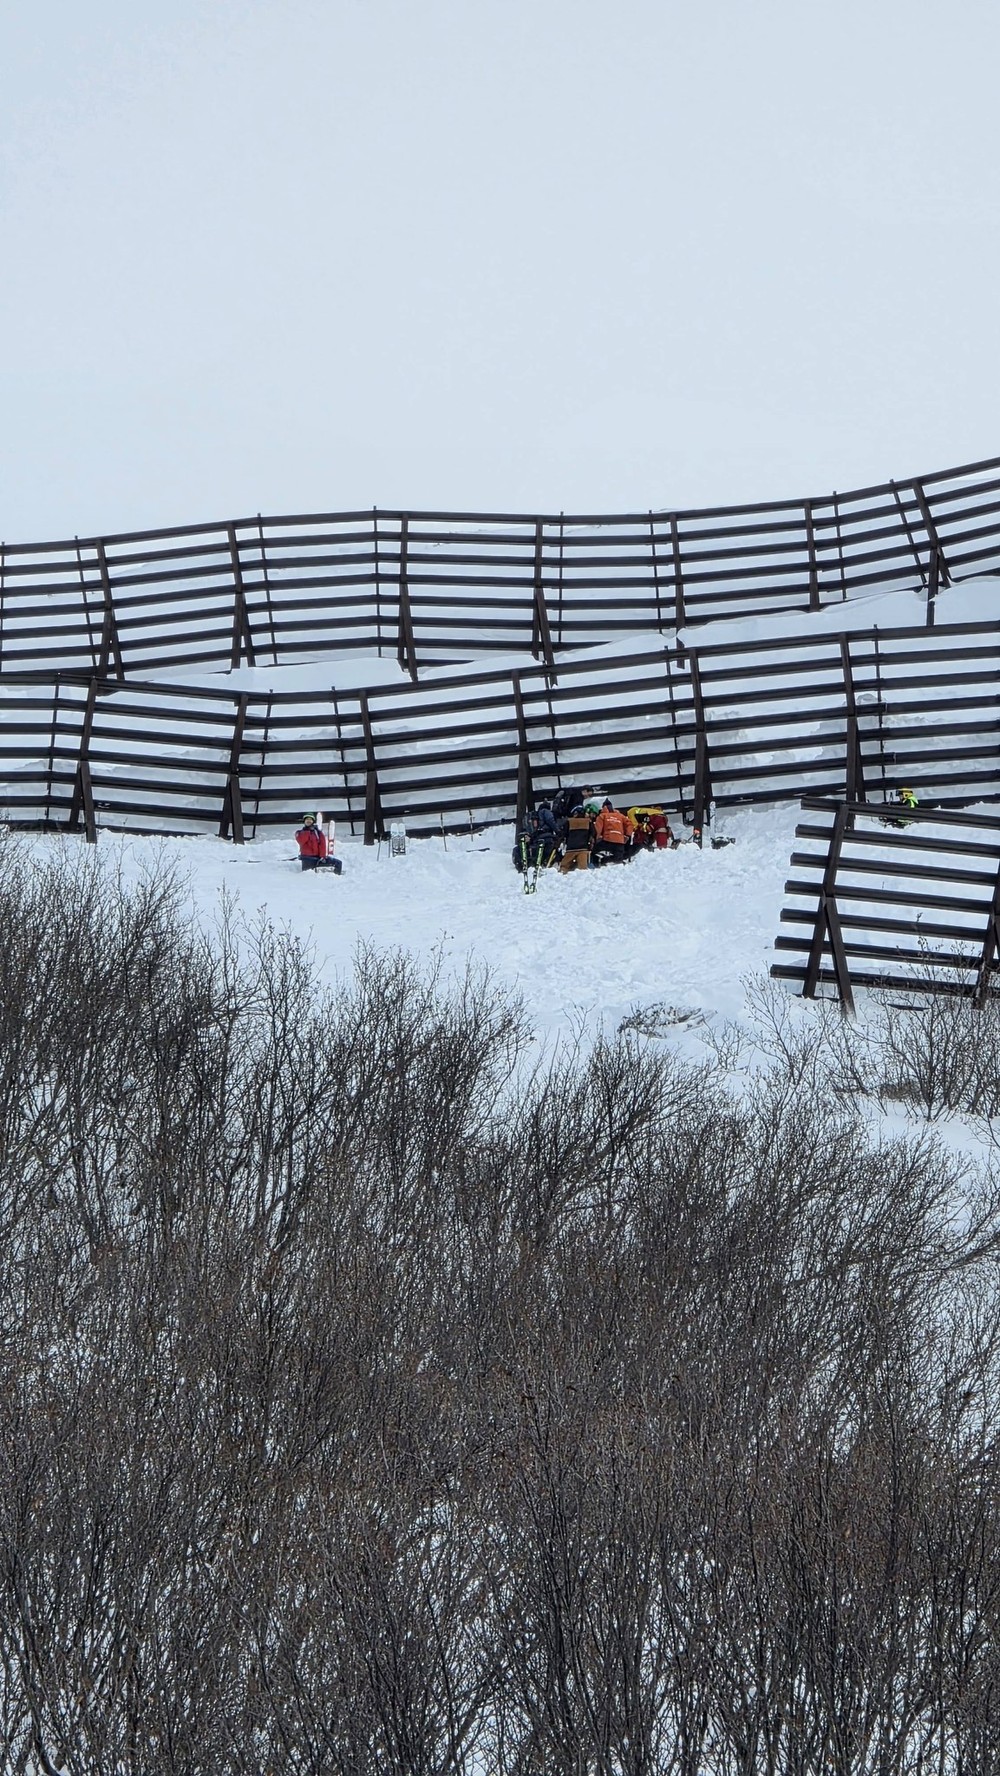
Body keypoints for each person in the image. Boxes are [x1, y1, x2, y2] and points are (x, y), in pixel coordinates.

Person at [512, 803, 560, 872]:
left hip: (537, 840)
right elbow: (551, 820)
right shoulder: (545, 811)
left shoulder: (533, 820)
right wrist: (558, 831)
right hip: (547, 838)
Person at [593, 798, 635, 864]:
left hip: (607, 839)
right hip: (619, 840)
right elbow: (630, 824)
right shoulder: (620, 816)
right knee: (618, 857)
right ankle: (616, 860)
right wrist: (627, 835)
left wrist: (597, 838)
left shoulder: (602, 815)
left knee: (595, 851)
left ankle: (601, 861)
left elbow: (598, 828)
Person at [559, 804, 595, 872]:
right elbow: (593, 834)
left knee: (564, 866)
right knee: (582, 869)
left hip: (571, 849)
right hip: (583, 849)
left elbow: (563, 834)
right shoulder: (588, 822)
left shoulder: (569, 821)